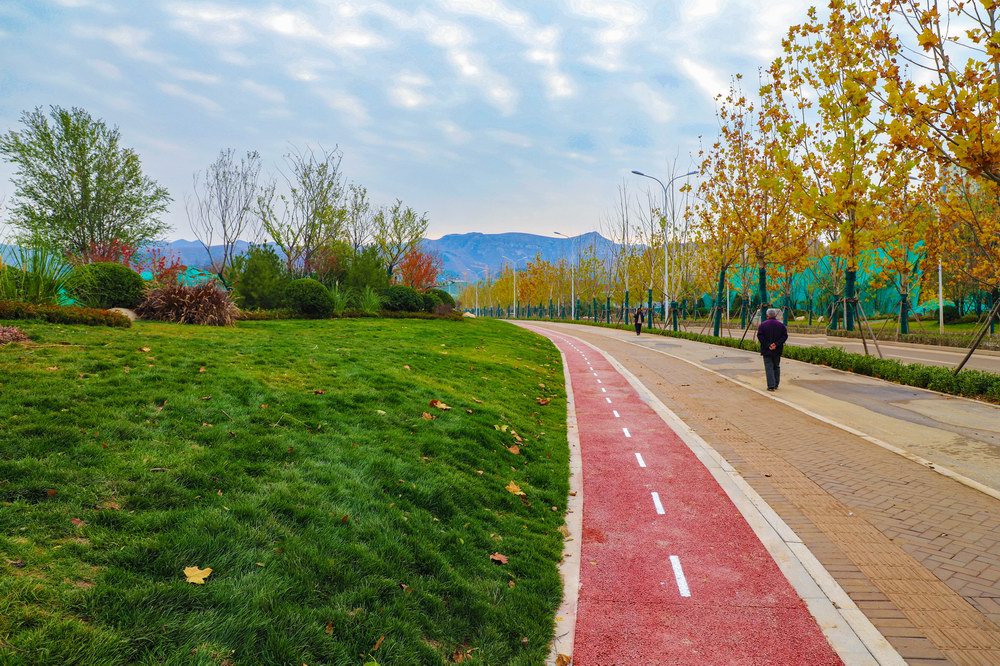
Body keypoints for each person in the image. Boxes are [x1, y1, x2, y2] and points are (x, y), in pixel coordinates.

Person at [756, 308, 788, 391]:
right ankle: (776, 384)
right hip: (777, 350)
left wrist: (768, 345)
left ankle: (771, 386)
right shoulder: (781, 325)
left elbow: (760, 336)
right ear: (775, 315)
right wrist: (776, 344)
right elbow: (785, 336)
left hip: (767, 350)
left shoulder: (762, 325)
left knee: (769, 367)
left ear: (767, 315)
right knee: (776, 366)